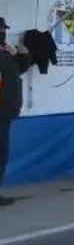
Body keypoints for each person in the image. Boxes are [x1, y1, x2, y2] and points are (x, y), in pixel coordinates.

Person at [0, 16, 30, 205]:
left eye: (4, 30)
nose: (3, 34)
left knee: (3, 155)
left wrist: (22, 55)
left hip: (6, 112)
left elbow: (17, 70)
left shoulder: (5, 52)